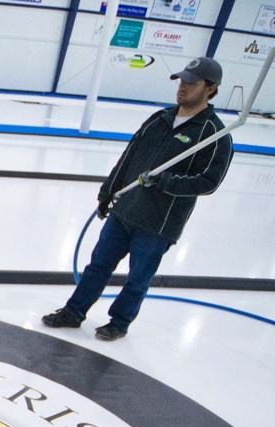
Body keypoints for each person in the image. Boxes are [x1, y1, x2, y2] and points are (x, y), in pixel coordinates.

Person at [42, 56, 233, 340]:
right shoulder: (159, 119)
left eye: (191, 83)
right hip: (125, 210)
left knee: (137, 279)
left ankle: (119, 323)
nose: (182, 87)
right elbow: (129, 156)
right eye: (182, 80)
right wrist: (108, 191)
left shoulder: (215, 135)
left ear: (210, 88)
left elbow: (208, 183)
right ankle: (74, 312)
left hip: (158, 223)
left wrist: (165, 181)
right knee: (98, 265)